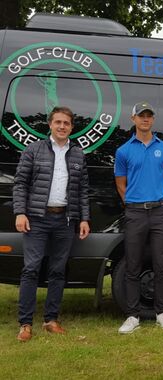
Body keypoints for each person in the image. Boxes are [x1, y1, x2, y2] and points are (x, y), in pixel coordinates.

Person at [13, 106, 90, 342]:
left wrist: (84, 218)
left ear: (71, 127)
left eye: (66, 123)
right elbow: (20, 184)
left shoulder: (78, 154)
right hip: (36, 219)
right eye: (58, 122)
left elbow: (83, 190)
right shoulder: (33, 150)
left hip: (65, 220)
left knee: (57, 271)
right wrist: (20, 212)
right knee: (31, 269)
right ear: (50, 124)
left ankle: (51, 320)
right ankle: (25, 324)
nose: (62, 126)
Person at [115, 102, 163, 334]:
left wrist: (154, 197)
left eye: (149, 116)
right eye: (141, 116)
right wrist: (134, 201)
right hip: (135, 211)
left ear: (153, 119)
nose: (145, 120)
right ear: (133, 119)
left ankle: (162, 313)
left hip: (160, 211)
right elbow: (121, 184)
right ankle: (132, 316)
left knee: (162, 263)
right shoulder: (124, 150)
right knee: (133, 263)